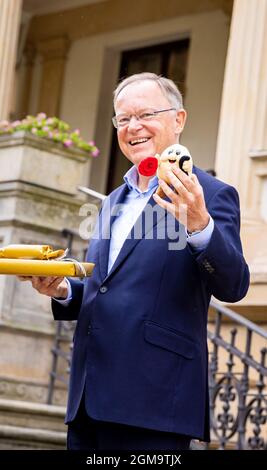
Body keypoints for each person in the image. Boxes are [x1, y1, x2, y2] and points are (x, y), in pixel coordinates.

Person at [23, 72, 250, 450]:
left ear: (179, 120)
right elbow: (108, 289)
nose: (133, 127)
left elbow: (234, 285)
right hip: (87, 402)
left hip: (155, 403)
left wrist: (200, 224)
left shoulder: (210, 193)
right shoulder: (113, 200)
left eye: (145, 114)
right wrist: (63, 289)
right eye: (123, 119)